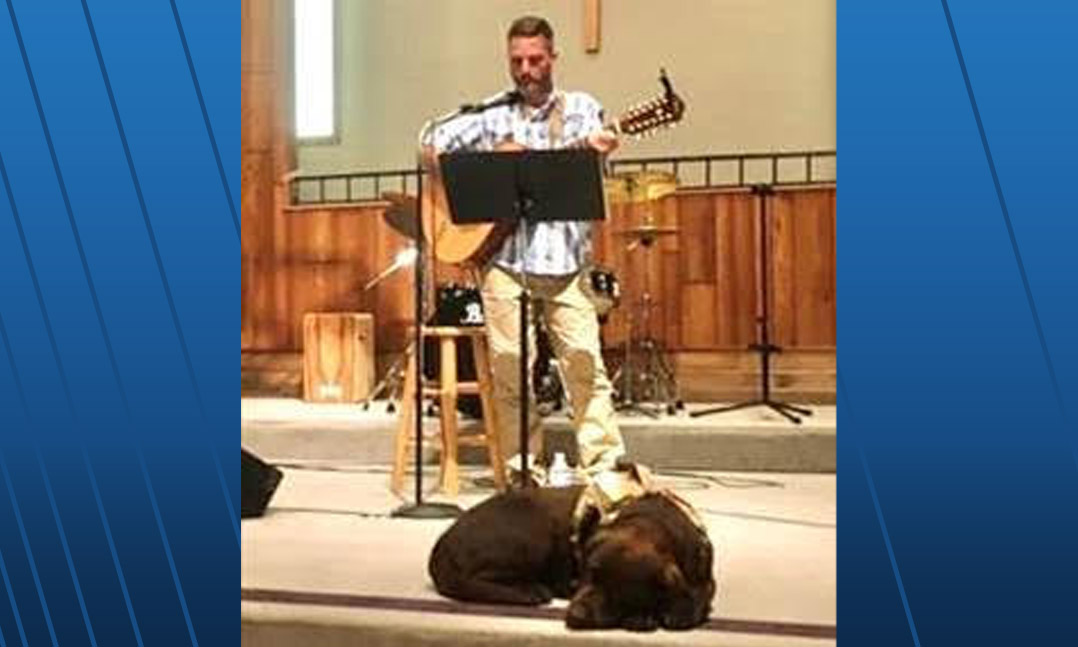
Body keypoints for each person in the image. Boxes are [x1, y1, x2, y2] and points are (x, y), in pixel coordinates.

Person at [424, 16, 625, 482]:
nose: (526, 70)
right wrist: (465, 180)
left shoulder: (580, 109)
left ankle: (604, 466)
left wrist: (601, 150)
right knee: (509, 370)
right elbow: (430, 148)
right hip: (506, 260)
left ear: (553, 58)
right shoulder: (491, 115)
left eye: (535, 60)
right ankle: (521, 467)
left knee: (583, 364)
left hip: (565, 262)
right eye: (517, 61)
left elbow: (594, 174)